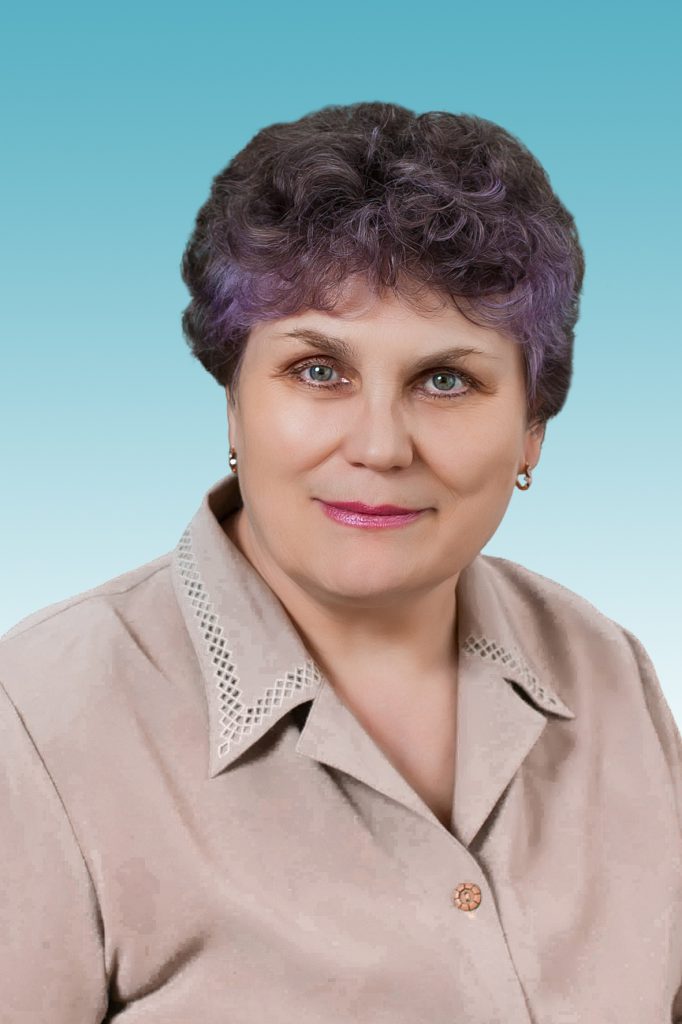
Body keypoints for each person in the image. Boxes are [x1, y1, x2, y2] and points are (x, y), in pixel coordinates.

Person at [1, 101, 680, 1023]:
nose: (379, 446)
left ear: (533, 431)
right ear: (234, 403)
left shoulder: (610, 674)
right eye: (319, 370)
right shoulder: (37, 728)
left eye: (446, 380)